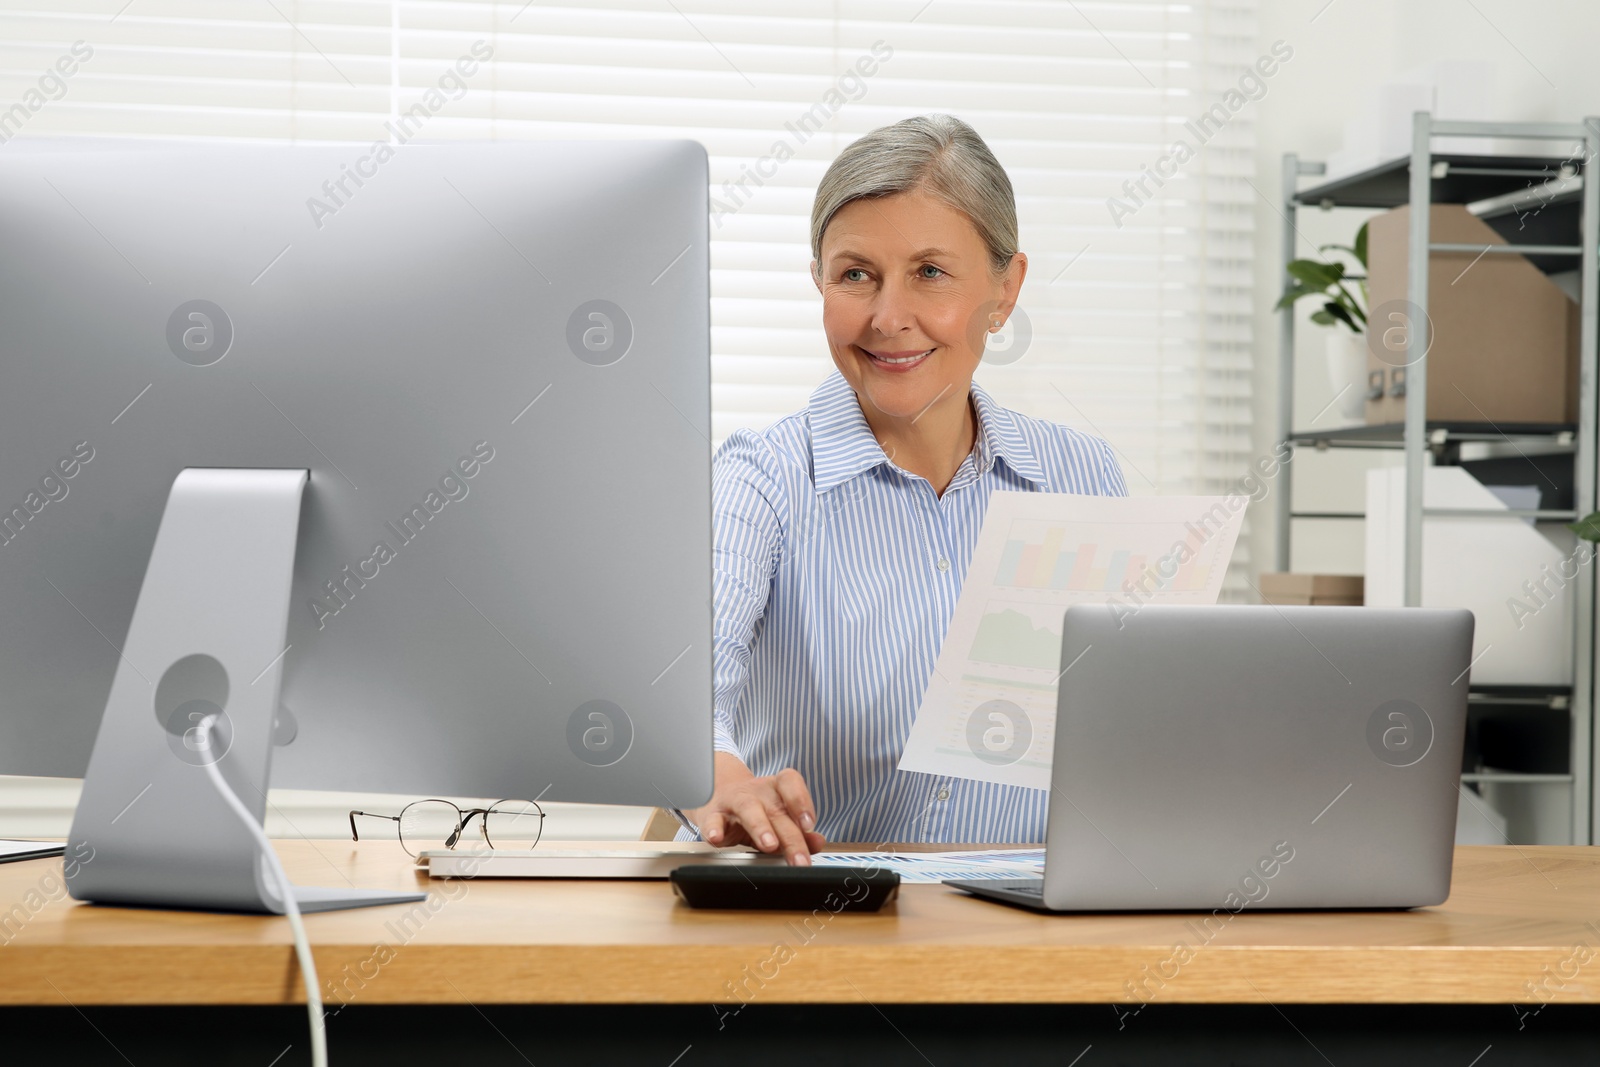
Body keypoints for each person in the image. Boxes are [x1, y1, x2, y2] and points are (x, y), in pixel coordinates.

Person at [684, 114, 1126, 864]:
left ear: (1004, 290)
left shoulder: (1082, 476)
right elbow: (684, 685)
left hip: (1037, 929)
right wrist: (718, 777)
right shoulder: (760, 480)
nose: (889, 318)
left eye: (930, 272)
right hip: (830, 926)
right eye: (855, 274)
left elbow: (1130, 726)